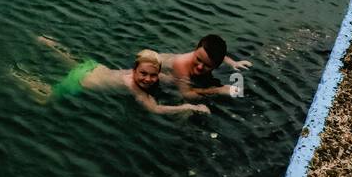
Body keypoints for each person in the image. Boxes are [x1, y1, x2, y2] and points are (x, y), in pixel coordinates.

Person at [13, 37, 210, 116]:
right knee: (45, 98)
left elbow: (170, 79)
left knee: (73, 63)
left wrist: (185, 85)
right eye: (143, 74)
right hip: (81, 82)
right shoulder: (133, 86)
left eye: (152, 75)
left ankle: (46, 43)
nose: (148, 79)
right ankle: (15, 75)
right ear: (134, 71)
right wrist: (188, 107)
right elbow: (155, 109)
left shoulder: (148, 75)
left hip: (93, 67)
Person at [155, 34, 251, 98]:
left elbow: (218, 56)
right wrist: (218, 90)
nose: (200, 67)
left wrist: (233, 63)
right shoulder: (181, 64)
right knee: (169, 81)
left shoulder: (207, 56)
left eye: (207, 65)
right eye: (198, 59)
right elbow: (186, 94)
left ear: (216, 65)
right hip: (161, 67)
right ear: (195, 50)